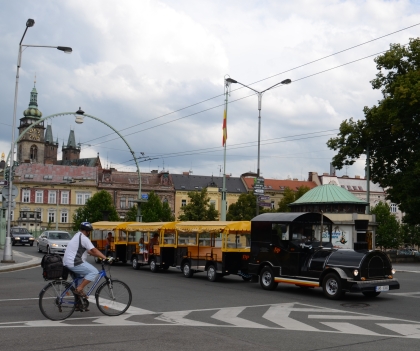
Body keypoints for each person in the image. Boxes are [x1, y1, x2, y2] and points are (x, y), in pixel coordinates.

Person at [63, 222, 107, 298]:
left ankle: (79, 303)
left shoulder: (77, 235)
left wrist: (100, 256)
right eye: (89, 231)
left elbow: (89, 251)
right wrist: (105, 258)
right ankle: (79, 289)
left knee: (79, 281)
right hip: (75, 263)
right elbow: (94, 250)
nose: (89, 233)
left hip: (68, 262)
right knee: (94, 272)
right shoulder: (84, 238)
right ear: (87, 231)